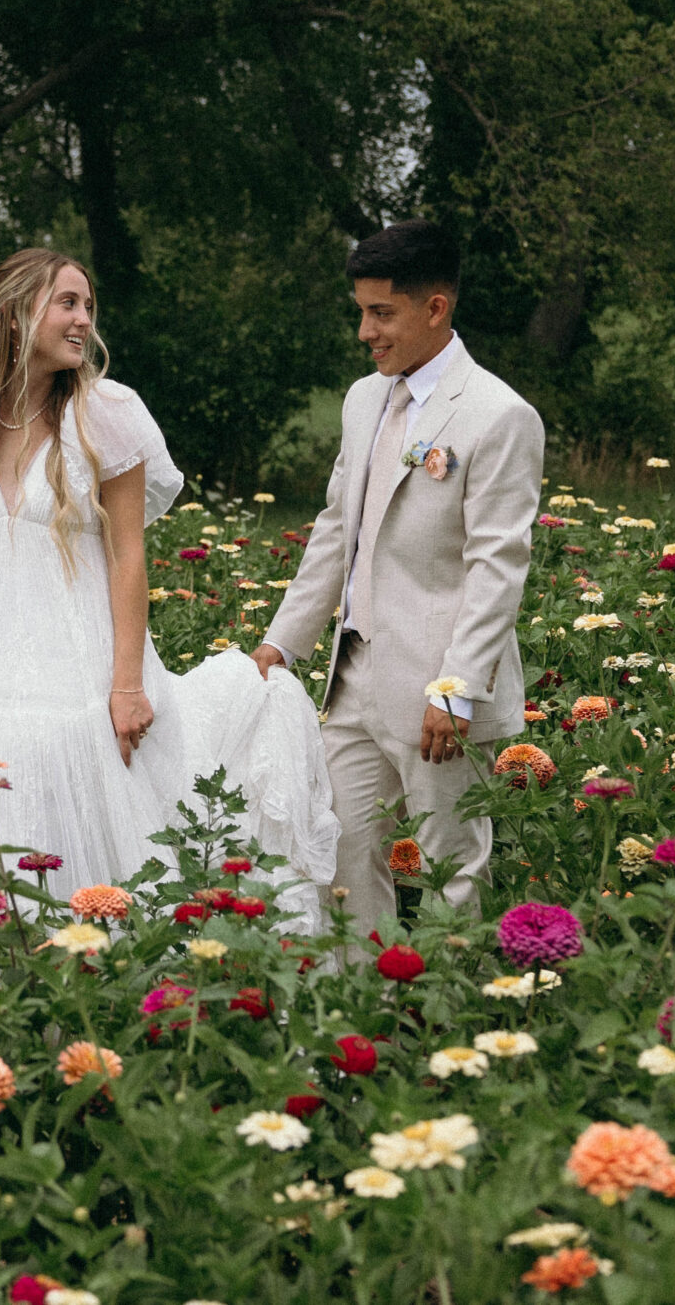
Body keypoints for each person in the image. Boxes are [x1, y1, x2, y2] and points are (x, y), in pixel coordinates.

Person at [0, 247, 340, 921]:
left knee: (83, 789)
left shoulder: (104, 416)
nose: (83, 321)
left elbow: (129, 555)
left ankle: (97, 960)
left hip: (78, 653)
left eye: (87, 306)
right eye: (67, 304)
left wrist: (126, 683)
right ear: (15, 316)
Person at [252, 220, 543, 926]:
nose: (365, 332)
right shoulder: (363, 400)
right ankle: (366, 1013)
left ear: (435, 308)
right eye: (361, 312)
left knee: (451, 868)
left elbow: (496, 566)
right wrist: (280, 643)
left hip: (438, 692)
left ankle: (448, 1021)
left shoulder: (499, 416)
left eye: (382, 313)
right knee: (339, 853)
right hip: (352, 680)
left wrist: (457, 689)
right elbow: (335, 533)